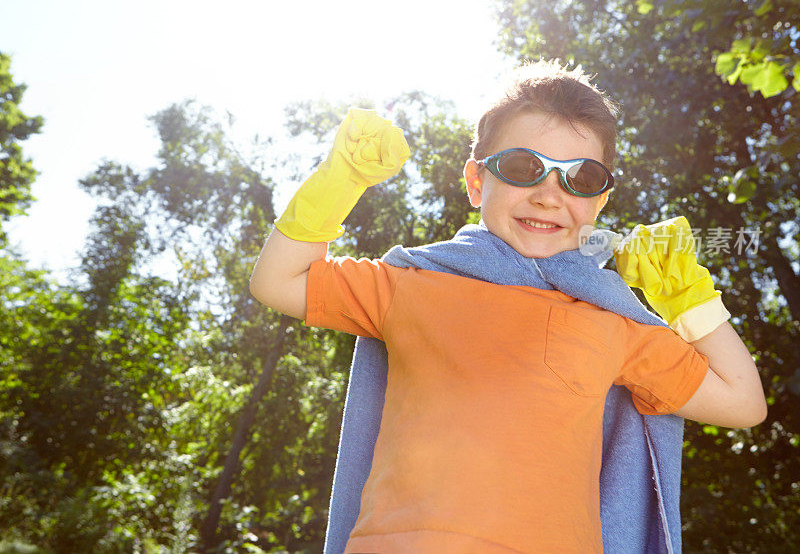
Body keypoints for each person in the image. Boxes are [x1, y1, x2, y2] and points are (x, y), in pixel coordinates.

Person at [249, 61, 767, 553]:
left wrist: (689, 299)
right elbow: (278, 280)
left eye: (581, 178)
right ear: (477, 182)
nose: (549, 195)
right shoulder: (413, 284)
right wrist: (342, 177)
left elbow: (743, 403)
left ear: (600, 201)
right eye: (524, 168)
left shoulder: (611, 323)